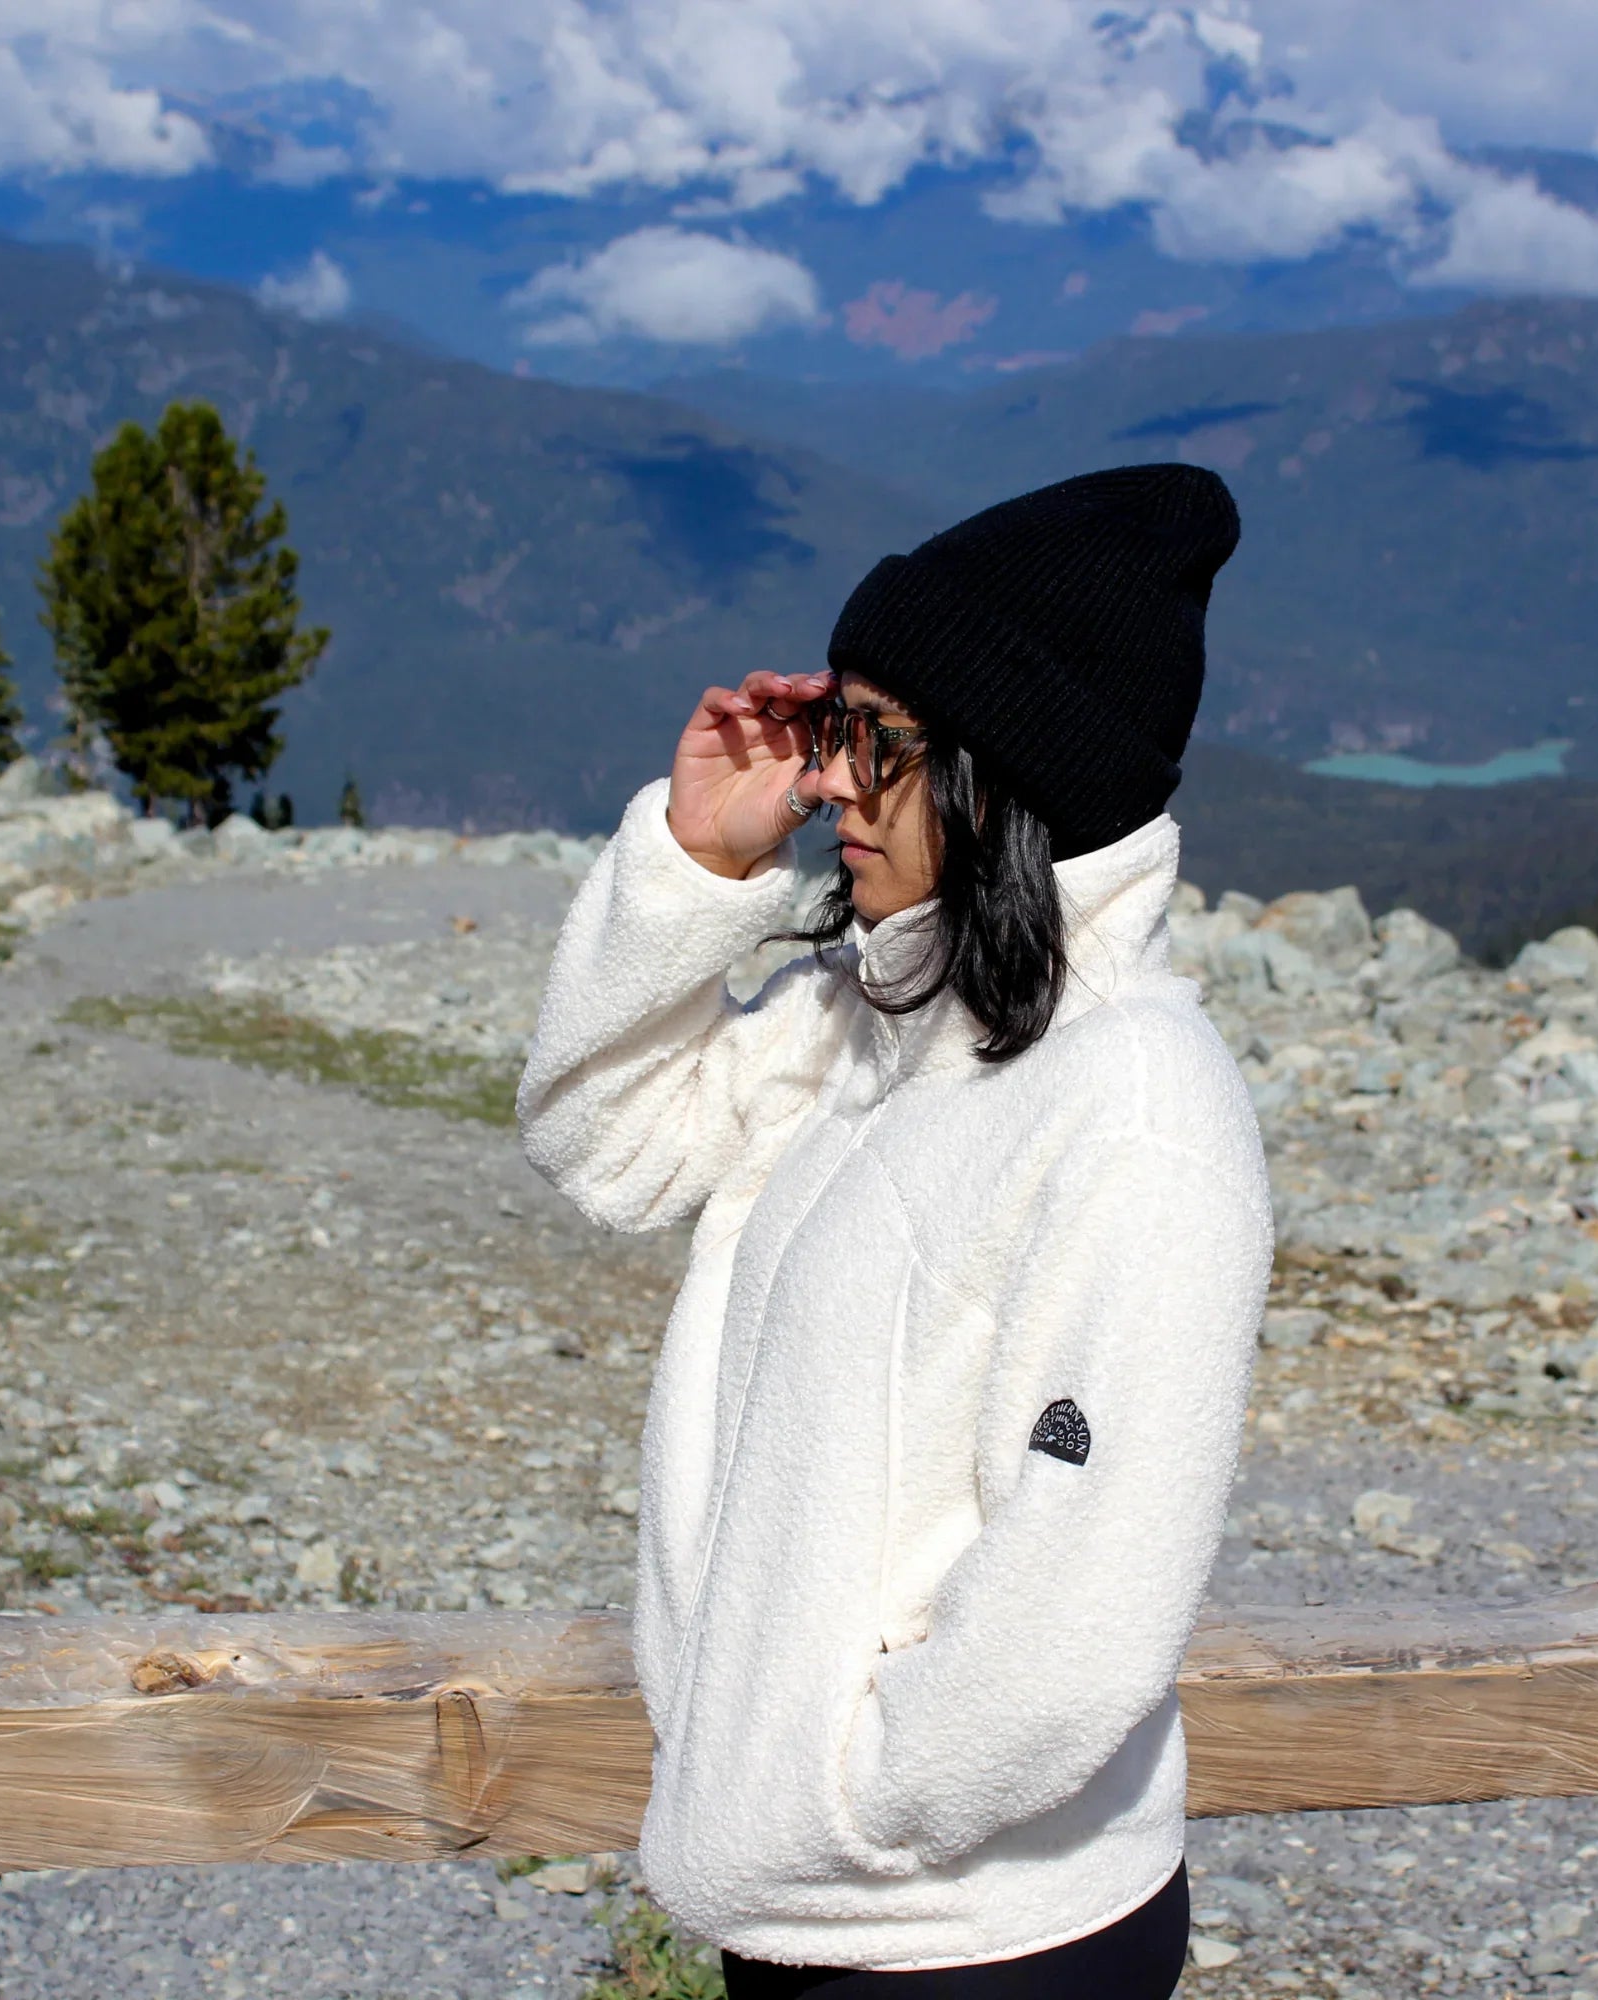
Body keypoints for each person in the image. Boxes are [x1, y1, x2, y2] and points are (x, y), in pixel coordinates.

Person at [517, 465, 1274, 1996]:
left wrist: (849, 1791)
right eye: (834, 728)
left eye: (881, 740)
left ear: (1009, 769)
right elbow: (606, 1144)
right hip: (822, 1905)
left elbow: (1084, 1596)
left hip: (970, 1936)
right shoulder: (879, 1016)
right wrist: (702, 855)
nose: (833, 783)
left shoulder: (1136, 1104)